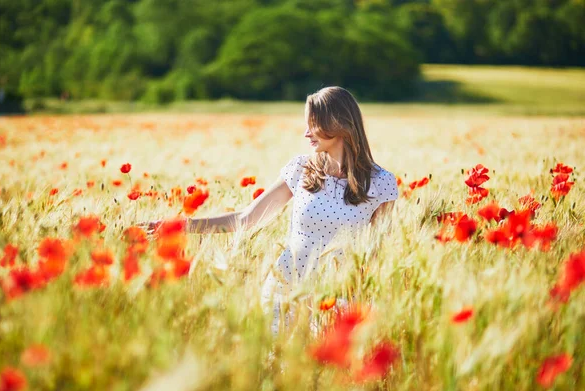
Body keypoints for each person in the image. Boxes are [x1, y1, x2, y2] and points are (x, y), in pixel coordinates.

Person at [143, 86, 398, 333]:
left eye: (313, 124)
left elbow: (377, 252)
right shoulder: (302, 170)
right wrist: (180, 226)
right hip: (286, 288)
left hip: (340, 296)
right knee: (280, 368)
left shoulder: (380, 183)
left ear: (338, 123)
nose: (306, 133)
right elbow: (246, 218)